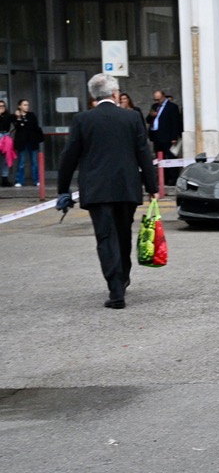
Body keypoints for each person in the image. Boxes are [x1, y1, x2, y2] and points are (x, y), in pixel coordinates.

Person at [56, 73, 158, 310]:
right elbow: (144, 153)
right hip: (126, 187)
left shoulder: (82, 120)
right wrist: (152, 188)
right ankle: (122, 279)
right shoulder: (132, 117)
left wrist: (63, 190)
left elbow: (68, 156)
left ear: (93, 97)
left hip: (97, 189)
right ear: (115, 94)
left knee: (105, 237)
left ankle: (115, 289)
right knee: (123, 235)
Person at [148, 89, 183, 185]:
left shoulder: (172, 107)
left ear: (163, 97)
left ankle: (173, 178)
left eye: (159, 99)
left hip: (167, 136)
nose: (157, 101)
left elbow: (175, 123)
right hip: (156, 136)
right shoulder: (154, 106)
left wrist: (174, 137)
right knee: (160, 159)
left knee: (170, 158)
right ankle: (163, 178)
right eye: (156, 99)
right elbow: (148, 119)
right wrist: (151, 116)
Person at [11, 98, 44, 187]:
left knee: (34, 162)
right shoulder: (16, 116)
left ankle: (36, 180)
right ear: (19, 106)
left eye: (27, 105)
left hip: (32, 141)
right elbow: (18, 127)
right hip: (22, 142)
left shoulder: (31, 115)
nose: (27, 107)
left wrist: (23, 122)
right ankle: (19, 180)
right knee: (21, 162)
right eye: (24, 105)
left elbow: (32, 126)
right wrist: (18, 118)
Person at [0, 99, 13, 186]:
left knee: (5, 159)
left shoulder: (8, 116)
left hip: (6, 135)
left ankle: (5, 178)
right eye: (0, 106)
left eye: (3, 106)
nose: (2, 108)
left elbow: (15, 123)